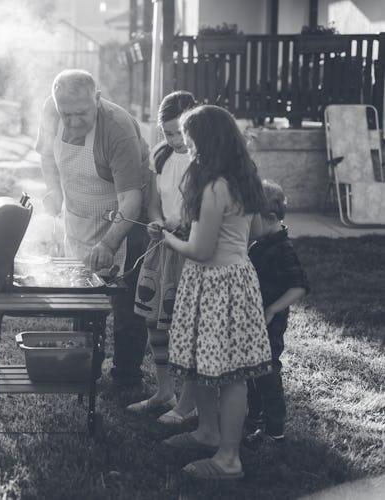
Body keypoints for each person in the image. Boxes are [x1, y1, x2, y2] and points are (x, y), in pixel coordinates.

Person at [158, 105, 273, 480]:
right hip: (238, 279)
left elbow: (201, 250)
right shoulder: (244, 179)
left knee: (229, 375)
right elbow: (255, 230)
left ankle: (228, 459)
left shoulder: (211, 186)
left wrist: (168, 239)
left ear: (205, 141)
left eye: (189, 141)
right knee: (205, 365)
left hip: (213, 283)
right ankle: (207, 433)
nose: (187, 148)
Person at [35, 68, 152, 387]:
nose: (72, 122)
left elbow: (131, 199)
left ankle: (126, 375)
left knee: (124, 299)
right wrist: (54, 191)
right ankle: (85, 365)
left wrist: (109, 244)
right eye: (66, 113)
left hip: (125, 219)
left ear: (97, 100)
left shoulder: (117, 128)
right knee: (82, 294)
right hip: (79, 216)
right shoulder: (51, 109)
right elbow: (47, 156)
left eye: (81, 113)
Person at [126, 91, 197, 423]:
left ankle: (190, 401)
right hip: (162, 247)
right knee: (156, 321)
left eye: (178, 132)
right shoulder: (161, 154)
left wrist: (180, 227)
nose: (174, 140)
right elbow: (153, 201)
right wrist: (156, 222)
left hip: (190, 249)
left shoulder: (203, 158)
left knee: (185, 325)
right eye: (167, 133)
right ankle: (164, 390)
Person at [244, 180, 309, 447]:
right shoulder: (260, 244)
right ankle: (255, 417)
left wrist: (273, 308)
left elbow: (300, 285)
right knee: (251, 372)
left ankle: (274, 428)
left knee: (267, 372)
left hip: (269, 323)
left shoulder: (283, 249)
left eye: (250, 218)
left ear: (269, 218)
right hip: (253, 322)